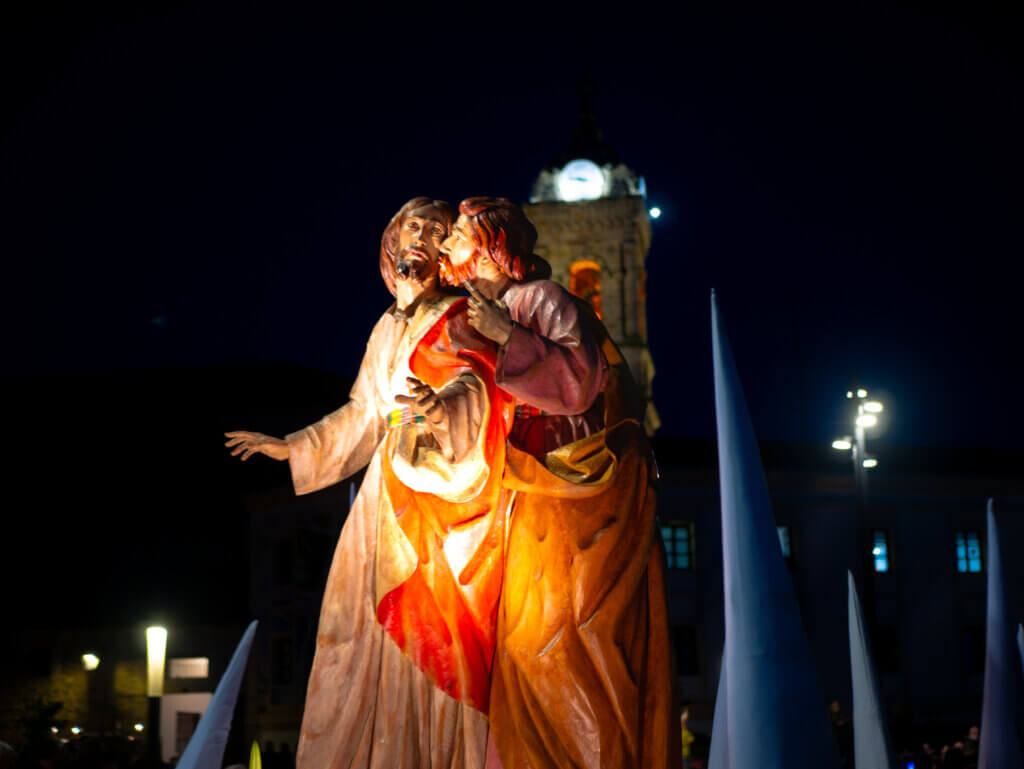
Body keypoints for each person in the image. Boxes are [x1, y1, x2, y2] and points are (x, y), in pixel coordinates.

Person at [225, 197, 513, 769]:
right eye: (412, 227)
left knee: (429, 632)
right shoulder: (387, 325)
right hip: (382, 494)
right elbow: (364, 411)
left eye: (434, 231)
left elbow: (476, 382)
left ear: (444, 251)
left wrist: (436, 411)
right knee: (354, 632)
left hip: (434, 485)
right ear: (392, 241)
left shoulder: (458, 313)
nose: (421, 238)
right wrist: (296, 446)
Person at [438, 196, 679, 769]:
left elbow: (579, 384)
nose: (448, 243)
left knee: (557, 635)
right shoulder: (473, 313)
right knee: (518, 642)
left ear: (494, 242)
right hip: (512, 492)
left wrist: (510, 338)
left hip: (560, 485)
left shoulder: (539, 300)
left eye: (461, 232)